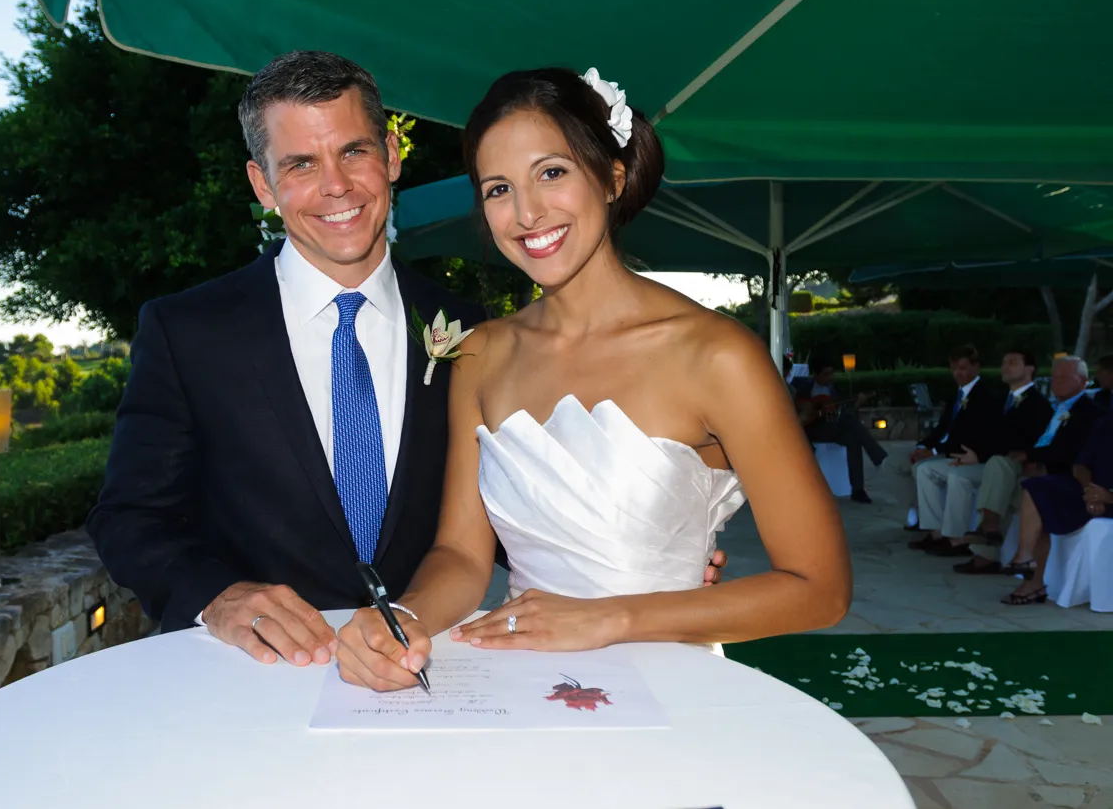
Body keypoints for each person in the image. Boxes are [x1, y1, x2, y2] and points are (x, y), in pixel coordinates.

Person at [85, 52, 725, 668]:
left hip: (440, 668)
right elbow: (129, 518)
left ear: (391, 155)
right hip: (259, 681)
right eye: (301, 163)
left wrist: (640, 537)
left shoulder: (473, 333)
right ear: (263, 184)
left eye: (354, 151)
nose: (335, 185)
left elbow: (500, 508)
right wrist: (218, 599)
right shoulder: (187, 330)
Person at [335, 67, 851, 692]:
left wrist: (610, 618)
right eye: (498, 188)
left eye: (551, 172)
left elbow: (821, 590)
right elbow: (464, 556)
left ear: (611, 176)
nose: (526, 213)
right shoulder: (480, 354)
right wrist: (407, 618)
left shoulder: (717, 357)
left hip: (669, 686)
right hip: (523, 679)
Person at [957, 357, 1105, 573]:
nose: (1057, 382)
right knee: (999, 468)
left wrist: (1032, 456)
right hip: (1038, 467)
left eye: (1064, 378)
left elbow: (1072, 452)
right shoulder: (1054, 407)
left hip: (1062, 475)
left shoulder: (1090, 413)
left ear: (1083, 381)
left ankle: (989, 537)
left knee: (1005, 476)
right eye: (1055, 378)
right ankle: (988, 537)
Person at [886, 345, 1002, 554]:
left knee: (923, 469)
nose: (958, 373)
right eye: (954, 368)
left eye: (963, 368)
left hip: (962, 453)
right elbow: (942, 427)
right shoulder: (956, 394)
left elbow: (969, 436)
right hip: (944, 449)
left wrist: (934, 451)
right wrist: (923, 445)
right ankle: (926, 519)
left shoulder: (986, 396)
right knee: (894, 463)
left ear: (976, 367)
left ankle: (945, 533)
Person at [933, 350, 1052, 554]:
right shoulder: (1000, 401)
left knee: (996, 465)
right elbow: (985, 434)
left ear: (1030, 369)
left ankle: (988, 529)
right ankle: (954, 537)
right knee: (958, 475)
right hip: (991, 460)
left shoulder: (1038, 404)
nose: (1004, 367)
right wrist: (973, 453)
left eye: (1012, 363)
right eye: (1003, 363)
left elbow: (1024, 442)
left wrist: (980, 455)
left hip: (1015, 464)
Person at [998, 413, 1113, 605]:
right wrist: (1089, 491)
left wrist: (1108, 496)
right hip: (1091, 492)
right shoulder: (1106, 423)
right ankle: (1027, 563)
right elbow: (1080, 465)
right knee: (1038, 488)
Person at [789, 359, 888, 503]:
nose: (830, 377)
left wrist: (857, 404)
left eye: (831, 373)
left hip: (832, 426)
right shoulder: (801, 385)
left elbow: (844, 412)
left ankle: (857, 490)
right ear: (815, 374)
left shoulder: (834, 389)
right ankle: (880, 458)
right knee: (853, 424)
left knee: (854, 437)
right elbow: (793, 403)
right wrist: (808, 408)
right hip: (810, 429)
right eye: (825, 374)